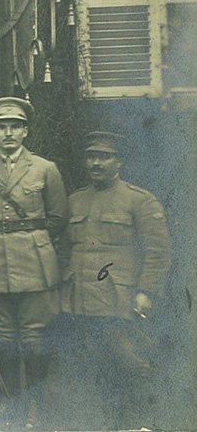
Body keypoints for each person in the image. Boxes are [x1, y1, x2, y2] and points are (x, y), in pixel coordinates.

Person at [0, 97, 67, 428]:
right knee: (3, 339)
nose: (8, 133)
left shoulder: (45, 168)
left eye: (15, 127)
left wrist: (31, 241)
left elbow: (58, 217)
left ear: (25, 131)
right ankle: (10, 402)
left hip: (35, 264)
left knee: (35, 338)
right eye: (1, 127)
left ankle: (36, 404)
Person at [61, 131, 171, 428]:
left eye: (104, 157)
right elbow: (65, 249)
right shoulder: (75, 200)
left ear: (119, 162)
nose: (96, 163)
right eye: (91, 157)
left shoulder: (140, 200)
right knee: (92, 369)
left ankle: (141, 423)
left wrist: (146, 291)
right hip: (83, 301)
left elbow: (158, 251)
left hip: (120, 301)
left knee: (131, 364)